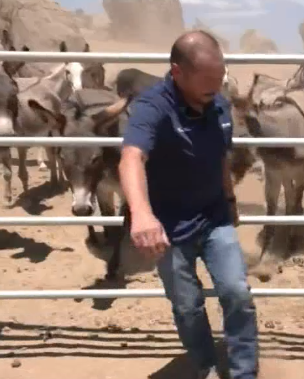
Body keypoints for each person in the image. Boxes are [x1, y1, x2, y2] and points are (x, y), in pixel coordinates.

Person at [118, 30, 258, 379]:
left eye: (220, 79)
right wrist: (142, 215)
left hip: (215, 216)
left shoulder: (220, 105)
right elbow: (131, 157)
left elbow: (220, 158)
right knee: (187, 305)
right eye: (208, 82)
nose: (216, 89)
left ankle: (244, 372)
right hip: (168, 227)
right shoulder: (153, 107)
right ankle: (205, 365)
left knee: (237, 293)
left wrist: (229, 198)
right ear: (177, 73)